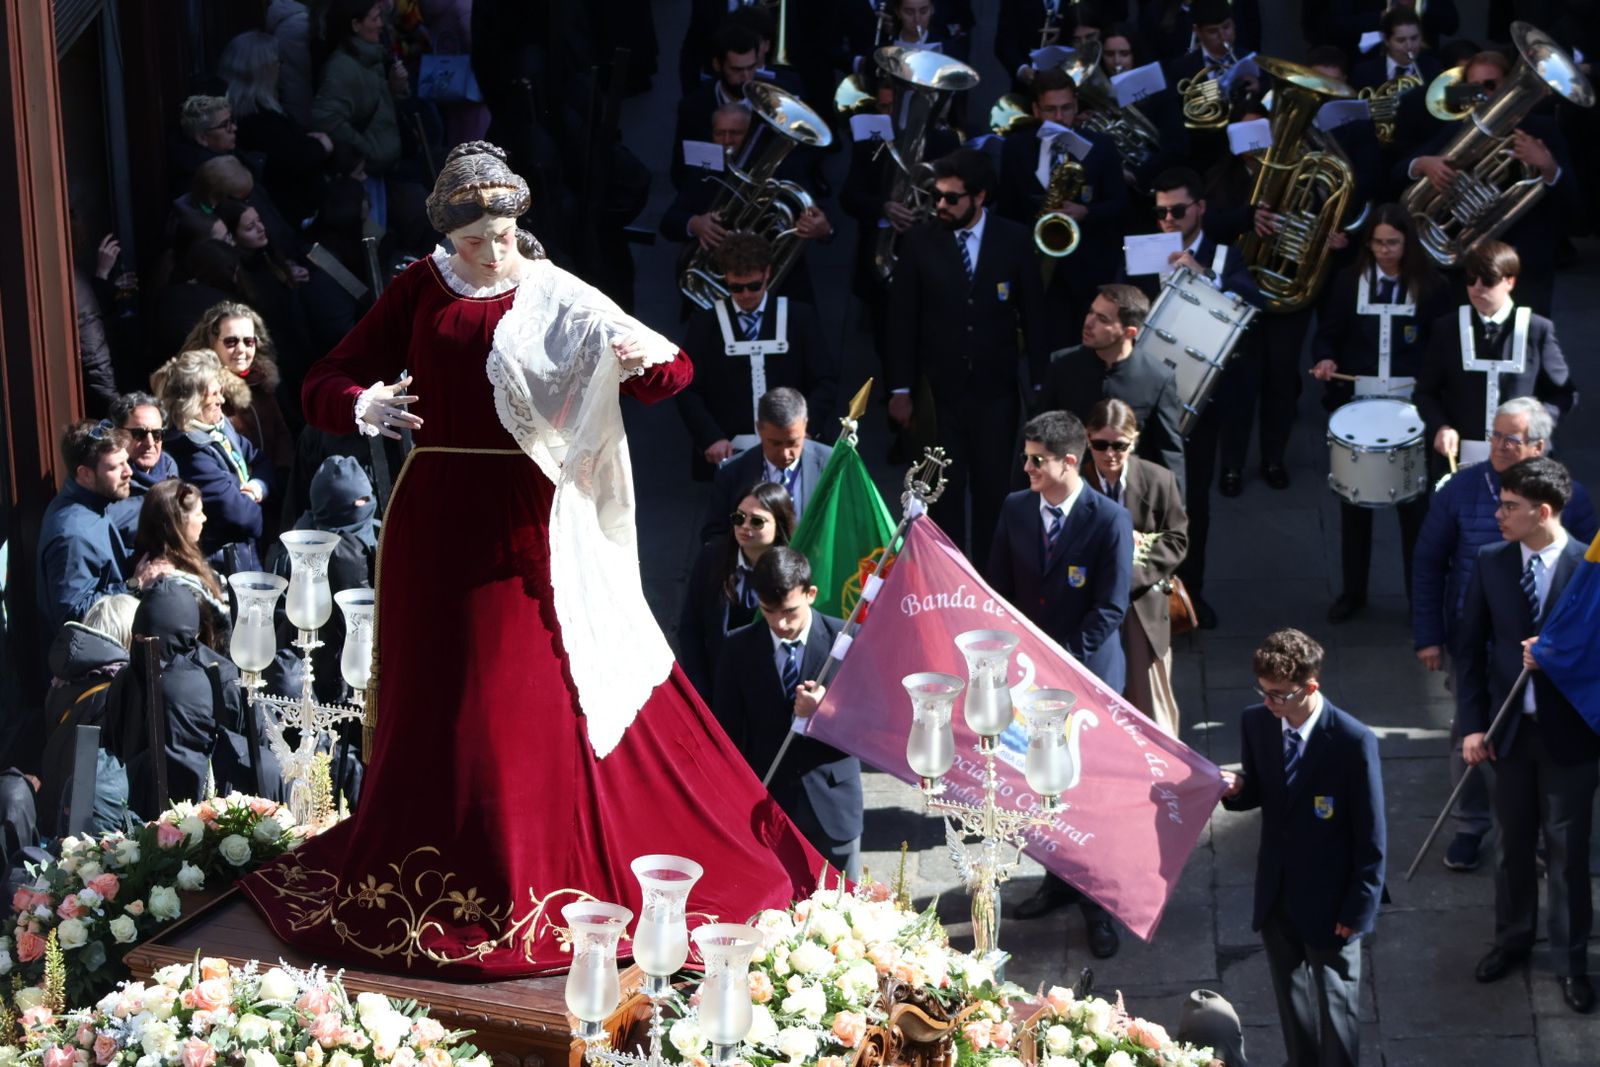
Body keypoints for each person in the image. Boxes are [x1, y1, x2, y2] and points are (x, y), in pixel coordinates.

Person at [239, 141, 822, 976]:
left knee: (516, 699)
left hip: (529, 524)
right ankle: (427, 869)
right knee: (435, 699)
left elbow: (672, 372)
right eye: (476, 238)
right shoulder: (420, 287)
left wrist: (643, 362)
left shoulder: (557, 294)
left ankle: (525, 875)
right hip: (435, 520)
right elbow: (322, 382)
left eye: (505, 234)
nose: (493, 250)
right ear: (450, 235)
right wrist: (362, 402)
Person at [1412, 397, 1598, 873]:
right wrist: (1429, 634)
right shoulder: (1460, 489)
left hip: (1546, 651)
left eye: (1509, 439)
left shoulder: (1570, 497)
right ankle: (1471, 825)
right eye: (1493, 435)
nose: (1496, 446)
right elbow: (1429, 561)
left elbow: (1587, 573)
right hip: (1475, 638)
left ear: (1539, 446)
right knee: (1471, 733)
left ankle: (1544, 830)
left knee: (1545, 737)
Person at [986, 410, 1131, 958]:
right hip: (1030, 679)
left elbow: (1110, 607)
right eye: (1026, 458)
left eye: (1036, 461)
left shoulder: (1109, 519)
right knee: (1043, 785)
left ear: (1069, 462)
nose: (1026, 469)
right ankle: (1056, 880)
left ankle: (1098, 902)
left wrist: (1060, 662)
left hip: (1087, 679)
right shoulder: (1016, 508)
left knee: (1086, 793)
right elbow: (998, 589)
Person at [1458, 456, 1598, 1015]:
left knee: (1568, 854)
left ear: (1543, 512)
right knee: (1511, 846)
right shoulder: (1491, 562)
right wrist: (1472, 724)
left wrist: (1558, 657)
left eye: (1510, 506)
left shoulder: (1589, 568)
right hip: (1508, 733)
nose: (1499, 515)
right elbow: (1469, 650)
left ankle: (1570, 961)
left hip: (1571, 738)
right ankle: (1512, 941)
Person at [1219, 628, 1386, 1067]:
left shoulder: (1352, 741)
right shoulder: (1256, 722)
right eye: (1263, 691)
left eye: (1279, 695)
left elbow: (1372, 836)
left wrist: (1359, 908)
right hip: (1277, 892)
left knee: (1337, 1005)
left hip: (1332, 902)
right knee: (1290, 998)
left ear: (1311, 687)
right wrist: (1238, 789)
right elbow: (1264, 791)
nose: (1269, 702)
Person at [887, 148, 1049, 557]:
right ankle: (949, 573)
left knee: (994, 491)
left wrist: (1040, 385)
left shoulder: (1014, 239)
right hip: (940, 395)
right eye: (937, 196)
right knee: (943, 493)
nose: (940, 205)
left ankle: (990, 577)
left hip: (996, 392)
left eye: (951, 198)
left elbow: (1035, 316)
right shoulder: (919, 242)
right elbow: (901, 320)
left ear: (979, 197)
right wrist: (901, 388)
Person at [1310, 204, 1450, 623]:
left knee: (1414, 510)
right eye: (1377, 243)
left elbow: (1442, 346)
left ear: (1408, 243)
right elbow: (1327, 334)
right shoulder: (1347, 281)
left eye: (1393, 243)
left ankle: (1418, 599)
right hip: (1359, 406)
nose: (1385, 251)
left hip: (1410, 410)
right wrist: (1326, 359)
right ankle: (1353, 592)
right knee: (1354, 504)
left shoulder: (1432, 286)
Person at [1138, 166, 1262, 631]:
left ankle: (1190, 594)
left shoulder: (1225, 255)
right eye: (1161, 213)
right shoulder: (1144, 251)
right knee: (1139, 502)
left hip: (1197, 403)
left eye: (1177, 211)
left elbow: (1254, 301)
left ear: (1200, 209)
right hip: (1143, 397)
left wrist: (1204, 275)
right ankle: (1145, 594)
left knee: (1192, 505)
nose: (1168, 220)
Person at [713, 547, 863, 880]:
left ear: (811, 594)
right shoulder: (738, 648)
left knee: (844, 904)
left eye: (790, 611)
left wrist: (826, 711)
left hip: (832, 806)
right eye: (769, 611)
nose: (781, 623)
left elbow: (871, 725)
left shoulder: (847, 640)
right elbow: (727, 733)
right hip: (767, 805)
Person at [103, 577, 278, 819]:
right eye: (138, 639)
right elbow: (113, 750)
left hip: (217, 816)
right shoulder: (127, 680)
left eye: (151, 641)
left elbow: (255, 751)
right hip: (140, 812)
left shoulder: (221, 680)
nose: (141, 647)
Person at [677, 234, 838, 479]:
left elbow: (825, 380)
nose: (746, 294)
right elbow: (687, 389)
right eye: (736, 287)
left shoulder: (799, 317)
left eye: (753, 286)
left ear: (767, 273)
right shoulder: (705, 324)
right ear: (726, 277)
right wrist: (711, 437)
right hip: (730, 453)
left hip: (792, 449)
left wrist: (806, 428)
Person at [1414, 241, 1574, 481]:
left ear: (1510, 281)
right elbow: (1425, 392)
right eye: (1471, 279)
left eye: (1488, 280)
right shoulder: (1447, 328)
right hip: (1460, 459)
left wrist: (1534, 427)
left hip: (1523, 460)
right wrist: (1441, 427)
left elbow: (1564, 394)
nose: (1477, 287)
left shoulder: (1537, 329)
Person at [996, 67, 1129, 343]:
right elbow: (1007, 210)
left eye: (1066, 108)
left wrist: (1086, 212)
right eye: (1050, 109)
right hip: (1035, 269)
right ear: (1035, 110)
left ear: (1076, 106)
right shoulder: (1016, 149)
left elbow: (1120, 204)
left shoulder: (1101, 146)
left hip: (1087, 270)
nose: (1059, 117)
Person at [1083, 399, 1187, 737]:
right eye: (1101, 444)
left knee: (1151, 704)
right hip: (1091, 602)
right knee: (1095, 701)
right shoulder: (1075, 482)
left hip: (1140, 600)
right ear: (1087, 439)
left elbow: (1176, 539)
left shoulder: (1158, 479)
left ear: (1134, 441)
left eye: (1120, 445)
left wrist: (1131, 572)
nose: (1110, 454)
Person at [1039, 283, 1186, 497]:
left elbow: (1168, 453)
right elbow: (1038, 437)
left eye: (1102, 319)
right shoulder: (1062, 365)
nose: (1088, 322)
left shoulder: (1157, 378)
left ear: (1129, 332)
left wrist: (1174, 511)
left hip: (1127, 498)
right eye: (1091, 312)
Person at [154, 350, 271, 575]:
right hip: (223, 565)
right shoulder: (189, 452)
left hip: (245, 554)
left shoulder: (220, 428)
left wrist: (256, 488)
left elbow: (260, 460)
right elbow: (242, 516)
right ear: (194, 403)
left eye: (221, 391)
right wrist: (255, 502)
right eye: (215, 394)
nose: (222, 400)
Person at [680, 482, 796, 700]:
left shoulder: (794, 569)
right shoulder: (711, 558)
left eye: (757, 521)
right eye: (739, 518)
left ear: (779, 524)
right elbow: (690, 628)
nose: (745, 526)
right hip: (718, 685)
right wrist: (700, 689)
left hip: (771, 690)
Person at [219, 29, 333, 227]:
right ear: (263, 70)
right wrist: (321, 146)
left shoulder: (253, 112)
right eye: (277, 62)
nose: (281, 67)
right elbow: (292, 157)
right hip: (292, 215)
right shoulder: (257, 119)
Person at [179, 301, 297, 491]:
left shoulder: (261, 380)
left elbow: (281, 433)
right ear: (211, 344)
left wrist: (283, 475)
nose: (241, 349)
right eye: (231, 342)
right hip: (234, 493)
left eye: (249, 341)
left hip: (271, 487)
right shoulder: (199, 392)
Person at [36, 420, 135, 637]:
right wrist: (135, 584)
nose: (128, 472)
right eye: (115, 467)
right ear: (85, 474)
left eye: (126, 462)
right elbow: (74, 617)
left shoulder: (93, 503)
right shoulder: (73, 535)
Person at [701, 387, 833, 540]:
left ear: (805, 425)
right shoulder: (732, 473)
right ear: (759, 428)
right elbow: (714, 536)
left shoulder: (831, 464)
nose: (785, 454)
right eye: (775, 443)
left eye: (793, 442)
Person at [129, 479, 231, 649]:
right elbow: (223, 629)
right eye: (198, 514)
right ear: (179, 523)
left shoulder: (169, 562)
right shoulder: (173, 580)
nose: (204, 518)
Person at [106, 391, 179, 542]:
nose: (150, 443)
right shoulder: (109, 484)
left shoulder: (170, 469)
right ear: (118, 434)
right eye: (139, 434)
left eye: (157, 434)